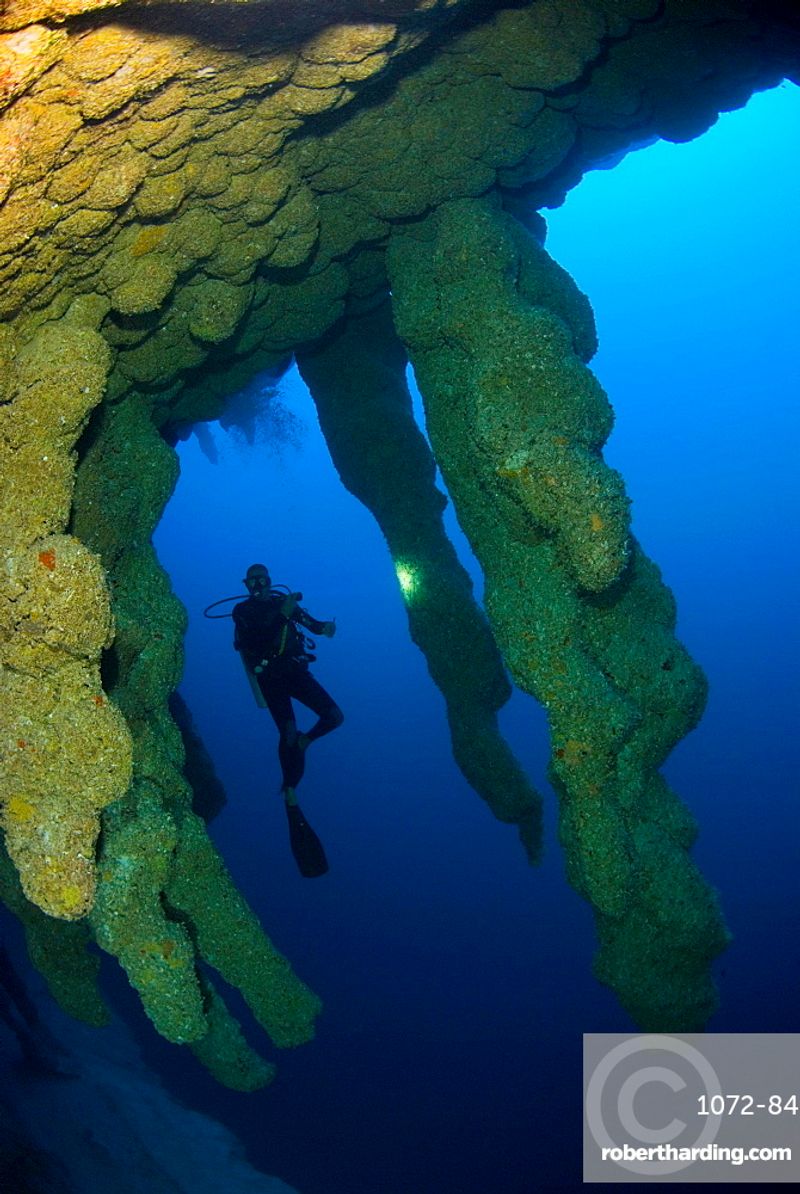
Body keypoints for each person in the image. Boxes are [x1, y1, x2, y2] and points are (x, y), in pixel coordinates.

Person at [233, 563, 343, 876]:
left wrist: (325, 628)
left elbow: (310, 622)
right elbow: (256, 640)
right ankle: (291, 792)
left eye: (262, 580)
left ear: (269, 581)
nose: (258, 585)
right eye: (252, 581)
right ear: (246, 585)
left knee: (335, 717)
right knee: (288, 731)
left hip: (295, 671)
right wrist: (285, 611)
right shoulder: (242, 611)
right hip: (269, 677)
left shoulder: (282, 603)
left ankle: (308, 742)